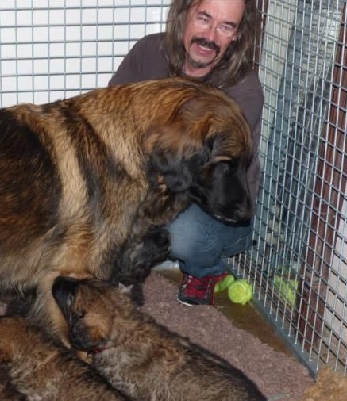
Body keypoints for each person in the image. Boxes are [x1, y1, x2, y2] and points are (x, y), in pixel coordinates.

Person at [109, 0, 264, 306]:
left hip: (216, 207)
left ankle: (206, 268)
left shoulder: (243, 89)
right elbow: (110, 122)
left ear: (237, 35)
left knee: (183, 235)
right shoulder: (147, 53)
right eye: (204, 18)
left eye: (225, 26)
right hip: (155, 178)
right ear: (183, 14)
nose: (211, 35)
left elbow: (194, 173)